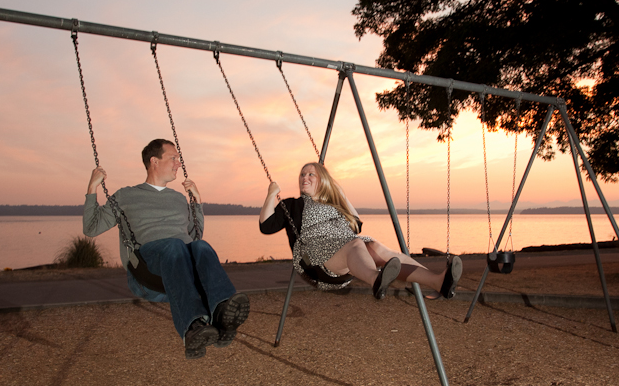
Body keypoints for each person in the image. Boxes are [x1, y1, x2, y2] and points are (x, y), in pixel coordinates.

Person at [84, 139, 249, 359]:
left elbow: (195, 236)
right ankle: (191, 328)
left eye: (179, 160)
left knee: (201, 246)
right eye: (173, 158)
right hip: (149, 270)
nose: (178, 164)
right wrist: (92, 188)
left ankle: (221, 314)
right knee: (175, 246)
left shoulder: (179, 198)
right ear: (154, 161)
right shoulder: (126, 196)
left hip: (181, 262)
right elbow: (91, 227)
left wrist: (197, 204)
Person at [259, 162, 463, 299]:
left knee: (374, 246)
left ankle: (439, 282)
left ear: (323, 180)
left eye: (311, 174)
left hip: (347, 251)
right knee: (356, 243)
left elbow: (355, 223)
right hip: (315, 261)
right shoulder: (293, 205)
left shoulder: (334, 204)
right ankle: (376, 279)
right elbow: (266, 225)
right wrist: (272, 193)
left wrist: (340, 194)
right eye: (302, 174)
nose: (305, 177)